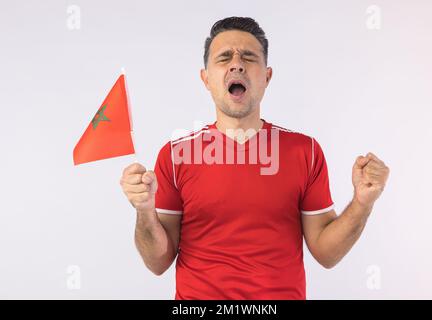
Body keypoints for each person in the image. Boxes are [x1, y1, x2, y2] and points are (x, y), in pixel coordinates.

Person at [119, 17, 390, 300]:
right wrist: (144, 211)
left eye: (248, 57)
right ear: (206, 79)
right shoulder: (176, 156)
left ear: (267, 76)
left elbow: (326, 253)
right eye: (224, 58)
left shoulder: (305, 152)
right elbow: (157, 262)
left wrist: (362, 203)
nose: (237, 64)